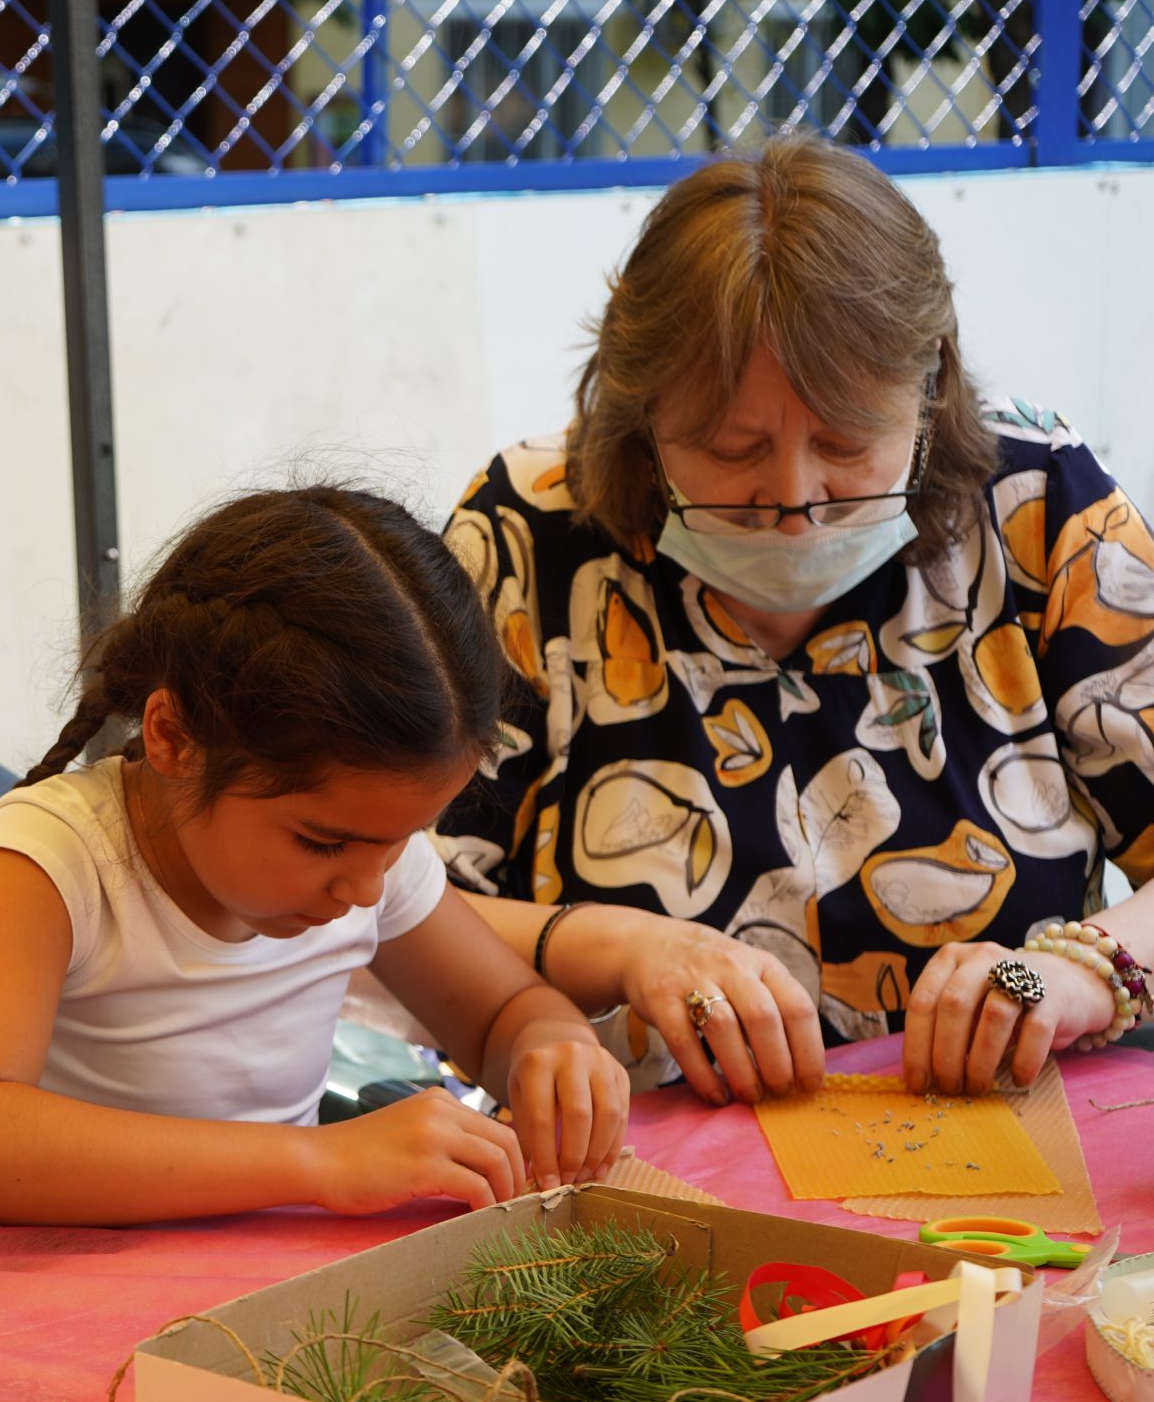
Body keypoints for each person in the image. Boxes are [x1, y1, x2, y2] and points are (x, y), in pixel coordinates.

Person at [435, 135, 1154, 1106]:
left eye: (846, 443)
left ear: (929, 396)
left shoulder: (1038, 506)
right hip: (633, 1156)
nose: (793, 502)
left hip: (1004, 1134)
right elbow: (391, 907)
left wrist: (1070, 973)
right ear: (641, 422)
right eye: (733, 449)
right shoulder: (527, 533)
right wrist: (622, 948)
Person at [0, 485, 633, 1227]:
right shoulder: (49, 862)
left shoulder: (368, 855)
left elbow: (502, 1012)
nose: (367, 888)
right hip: (57, 1287)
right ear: (174, 737)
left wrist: (552, 1046)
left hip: (273, 1282)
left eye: (402, 840)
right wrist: (320, 1161)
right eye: (322, 841)